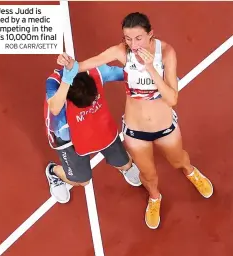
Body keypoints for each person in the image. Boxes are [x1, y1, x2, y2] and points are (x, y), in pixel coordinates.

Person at [57, 12, 213, 229]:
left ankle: (190, 171)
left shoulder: (166, 53)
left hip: (165, 127)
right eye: (128, 39)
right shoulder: (122, 52)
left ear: (151, 34)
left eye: (138, 38)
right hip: (135, 130)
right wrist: (70, 64)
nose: (133, 44)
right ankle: (155, 197)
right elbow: (83, 65)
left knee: (179, 160)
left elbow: (172, 98)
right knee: (147, 174)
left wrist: (150, 68)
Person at [44, 58, 141, 204]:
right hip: (69, 139)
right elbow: (54, 108)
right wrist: (67, 78)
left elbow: (128, 74)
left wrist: (158, 79)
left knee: (125, 163)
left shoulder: (97, 71)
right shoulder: (55, 84)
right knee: (82, 180)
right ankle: (54, 172)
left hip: (98, 125)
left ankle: (125, 167)